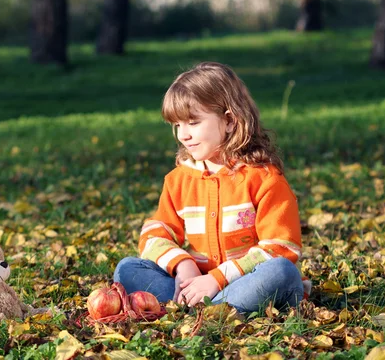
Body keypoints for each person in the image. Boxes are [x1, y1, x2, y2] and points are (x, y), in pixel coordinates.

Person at [114, 62, 310, 313]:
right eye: (177, 125)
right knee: (127, 269)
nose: (183, 135)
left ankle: (204, 307)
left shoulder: (264, 178)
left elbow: (281, 246)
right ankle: (209, 306)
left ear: (229, 121)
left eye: (193, 123)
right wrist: (183, 266)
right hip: (199, 283)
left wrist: (217, 279)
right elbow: (155, 234)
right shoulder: (178, 180)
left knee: (281, 272)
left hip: (246, 283)